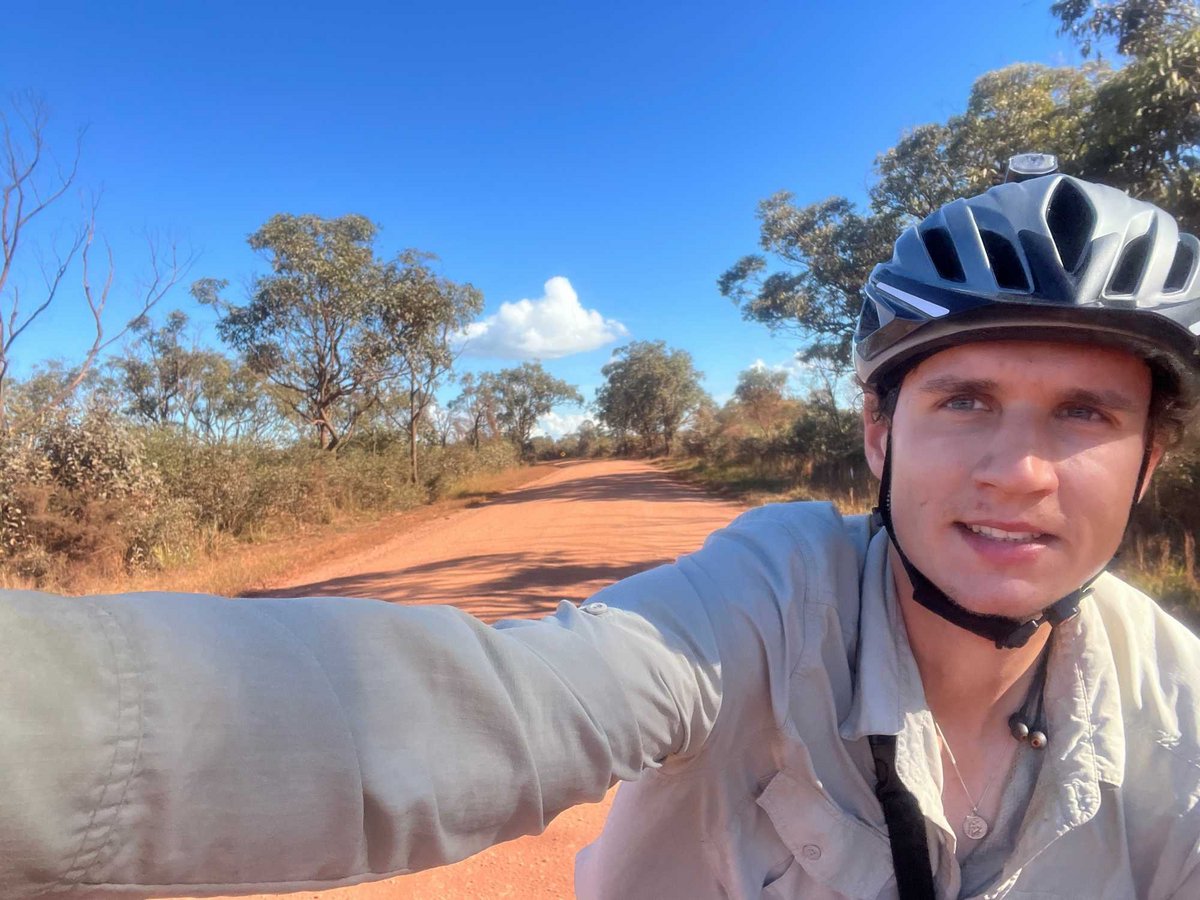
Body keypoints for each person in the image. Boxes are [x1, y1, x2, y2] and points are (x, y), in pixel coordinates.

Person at [3, 171, 1199, 900]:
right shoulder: (770, 595)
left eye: (1086, 414)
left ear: (1150, 458)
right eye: (965, 401)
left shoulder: (1177, 704)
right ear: (880, 434)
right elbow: (505, 704)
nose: (1020, 471)